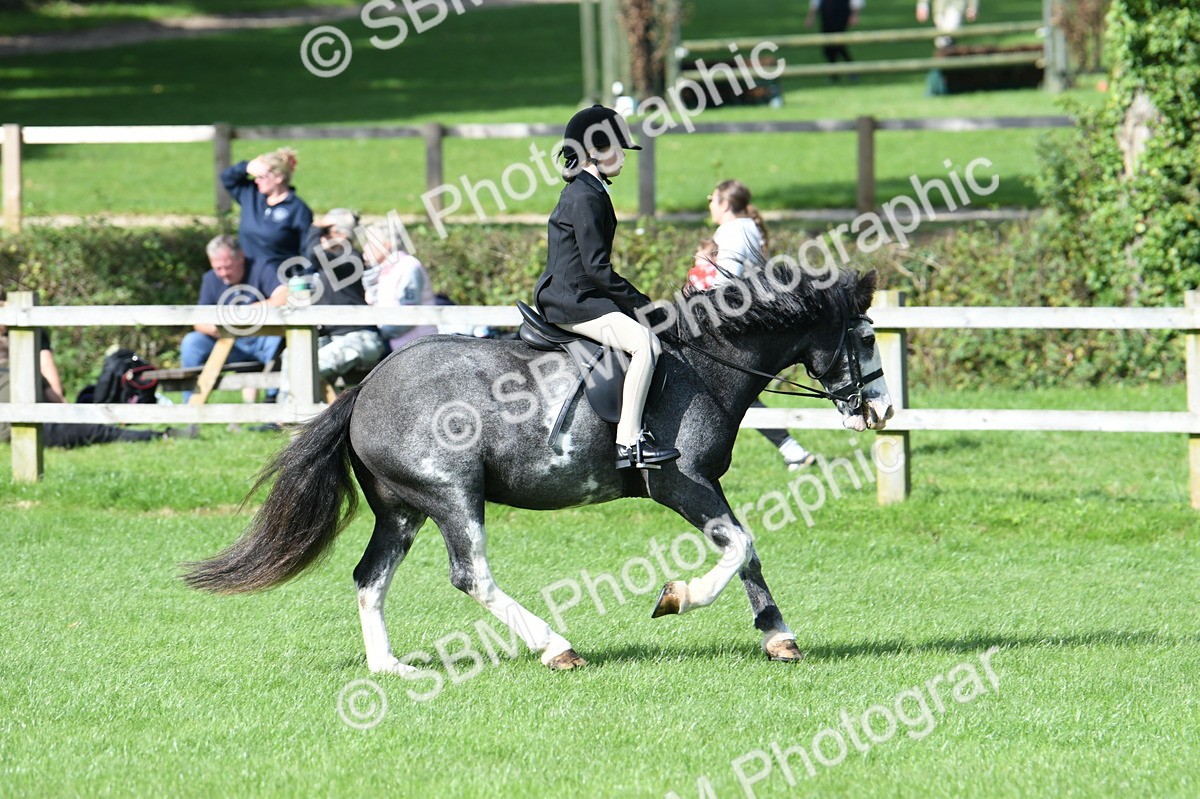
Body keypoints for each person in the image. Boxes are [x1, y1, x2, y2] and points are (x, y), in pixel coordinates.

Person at [532, 104, 678, 470]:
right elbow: (598, 269)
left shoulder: (589, 190)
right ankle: (629, 443)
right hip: (572, 301)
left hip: (580, 296)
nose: (623, 159)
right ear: (594, 150)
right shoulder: (583, 196)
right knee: (645, 344)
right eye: (617, 149)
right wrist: (644, 306)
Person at [700, 180, 818, 470]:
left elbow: (725, 284)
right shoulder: (748, 228)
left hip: (736, 327)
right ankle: (792, 451)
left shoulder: (731, 231)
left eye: (712, 199)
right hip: (752, 322)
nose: (710, 205)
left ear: (725, 203)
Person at [0, 320, 192, 448]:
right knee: (99, 432)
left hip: (37, 415)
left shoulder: (22, 368)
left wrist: (68, 413)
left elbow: (54, 395)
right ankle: (161, 436)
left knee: (89, 420)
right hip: (19, 425)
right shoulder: (19, 368)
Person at [275, 209, 387, 404]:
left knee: (310, 365)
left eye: (325, 233)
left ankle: (302, 418)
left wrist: (314, 227)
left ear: (341, 235)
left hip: (360, 338)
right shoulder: (329, 263)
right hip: (333, 338)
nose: (321, 238)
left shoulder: (350, 260)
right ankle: (285, 415)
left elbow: (311, 252)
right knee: (291, 355)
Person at [180, 235, 286, 400]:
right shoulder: (210, 279)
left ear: (240, 257)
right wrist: (212, 328)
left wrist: (242, 314)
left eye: (227, 267)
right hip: (228, 342)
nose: (223, 273)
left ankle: (274, 402)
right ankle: (190, 406)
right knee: (191, 342)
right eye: (218, 268)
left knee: (281, 341)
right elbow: (198, 321)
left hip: (263, 339)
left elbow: (284, 297)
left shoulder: (261, 268)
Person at [219, 147, 313, 281]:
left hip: (280, 282)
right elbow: (227, 178)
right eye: (255, 177)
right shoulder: (251, 195)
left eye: (261, 177)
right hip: (249, 279)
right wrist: (246, 166)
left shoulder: (297, 209)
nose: (256, 181)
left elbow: (307, 251)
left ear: (278, 177)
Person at [361, 222, 438, 350]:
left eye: (370, 243)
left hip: (418, 349)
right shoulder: (385, 270)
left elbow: (409, 314)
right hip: (400, 348)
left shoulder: (409, 267)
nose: (365, 248)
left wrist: (379, 333)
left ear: (387, 244)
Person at [804, 0, 864, 72]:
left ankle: (847, 67)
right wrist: (811, 16)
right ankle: (836, 70)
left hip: (841, 9)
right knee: (827, 43)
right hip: (826, 9)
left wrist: (855, 14)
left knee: (837, 40)